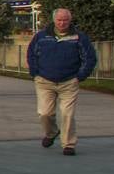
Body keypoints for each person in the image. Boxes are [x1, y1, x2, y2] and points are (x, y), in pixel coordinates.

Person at [26, 8, 97, 156]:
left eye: (65, 20)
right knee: (44, 113)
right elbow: (31, 54)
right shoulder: (41, 36)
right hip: (44, 80)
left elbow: (90, 58)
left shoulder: (78, 37)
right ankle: (51, 133)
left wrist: (80, 76)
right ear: (54, 20)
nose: (62, 23)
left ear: (70, 20)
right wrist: (35, 73)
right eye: (59, 20)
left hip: (69, 81)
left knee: (67, 114)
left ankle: (68, 144)